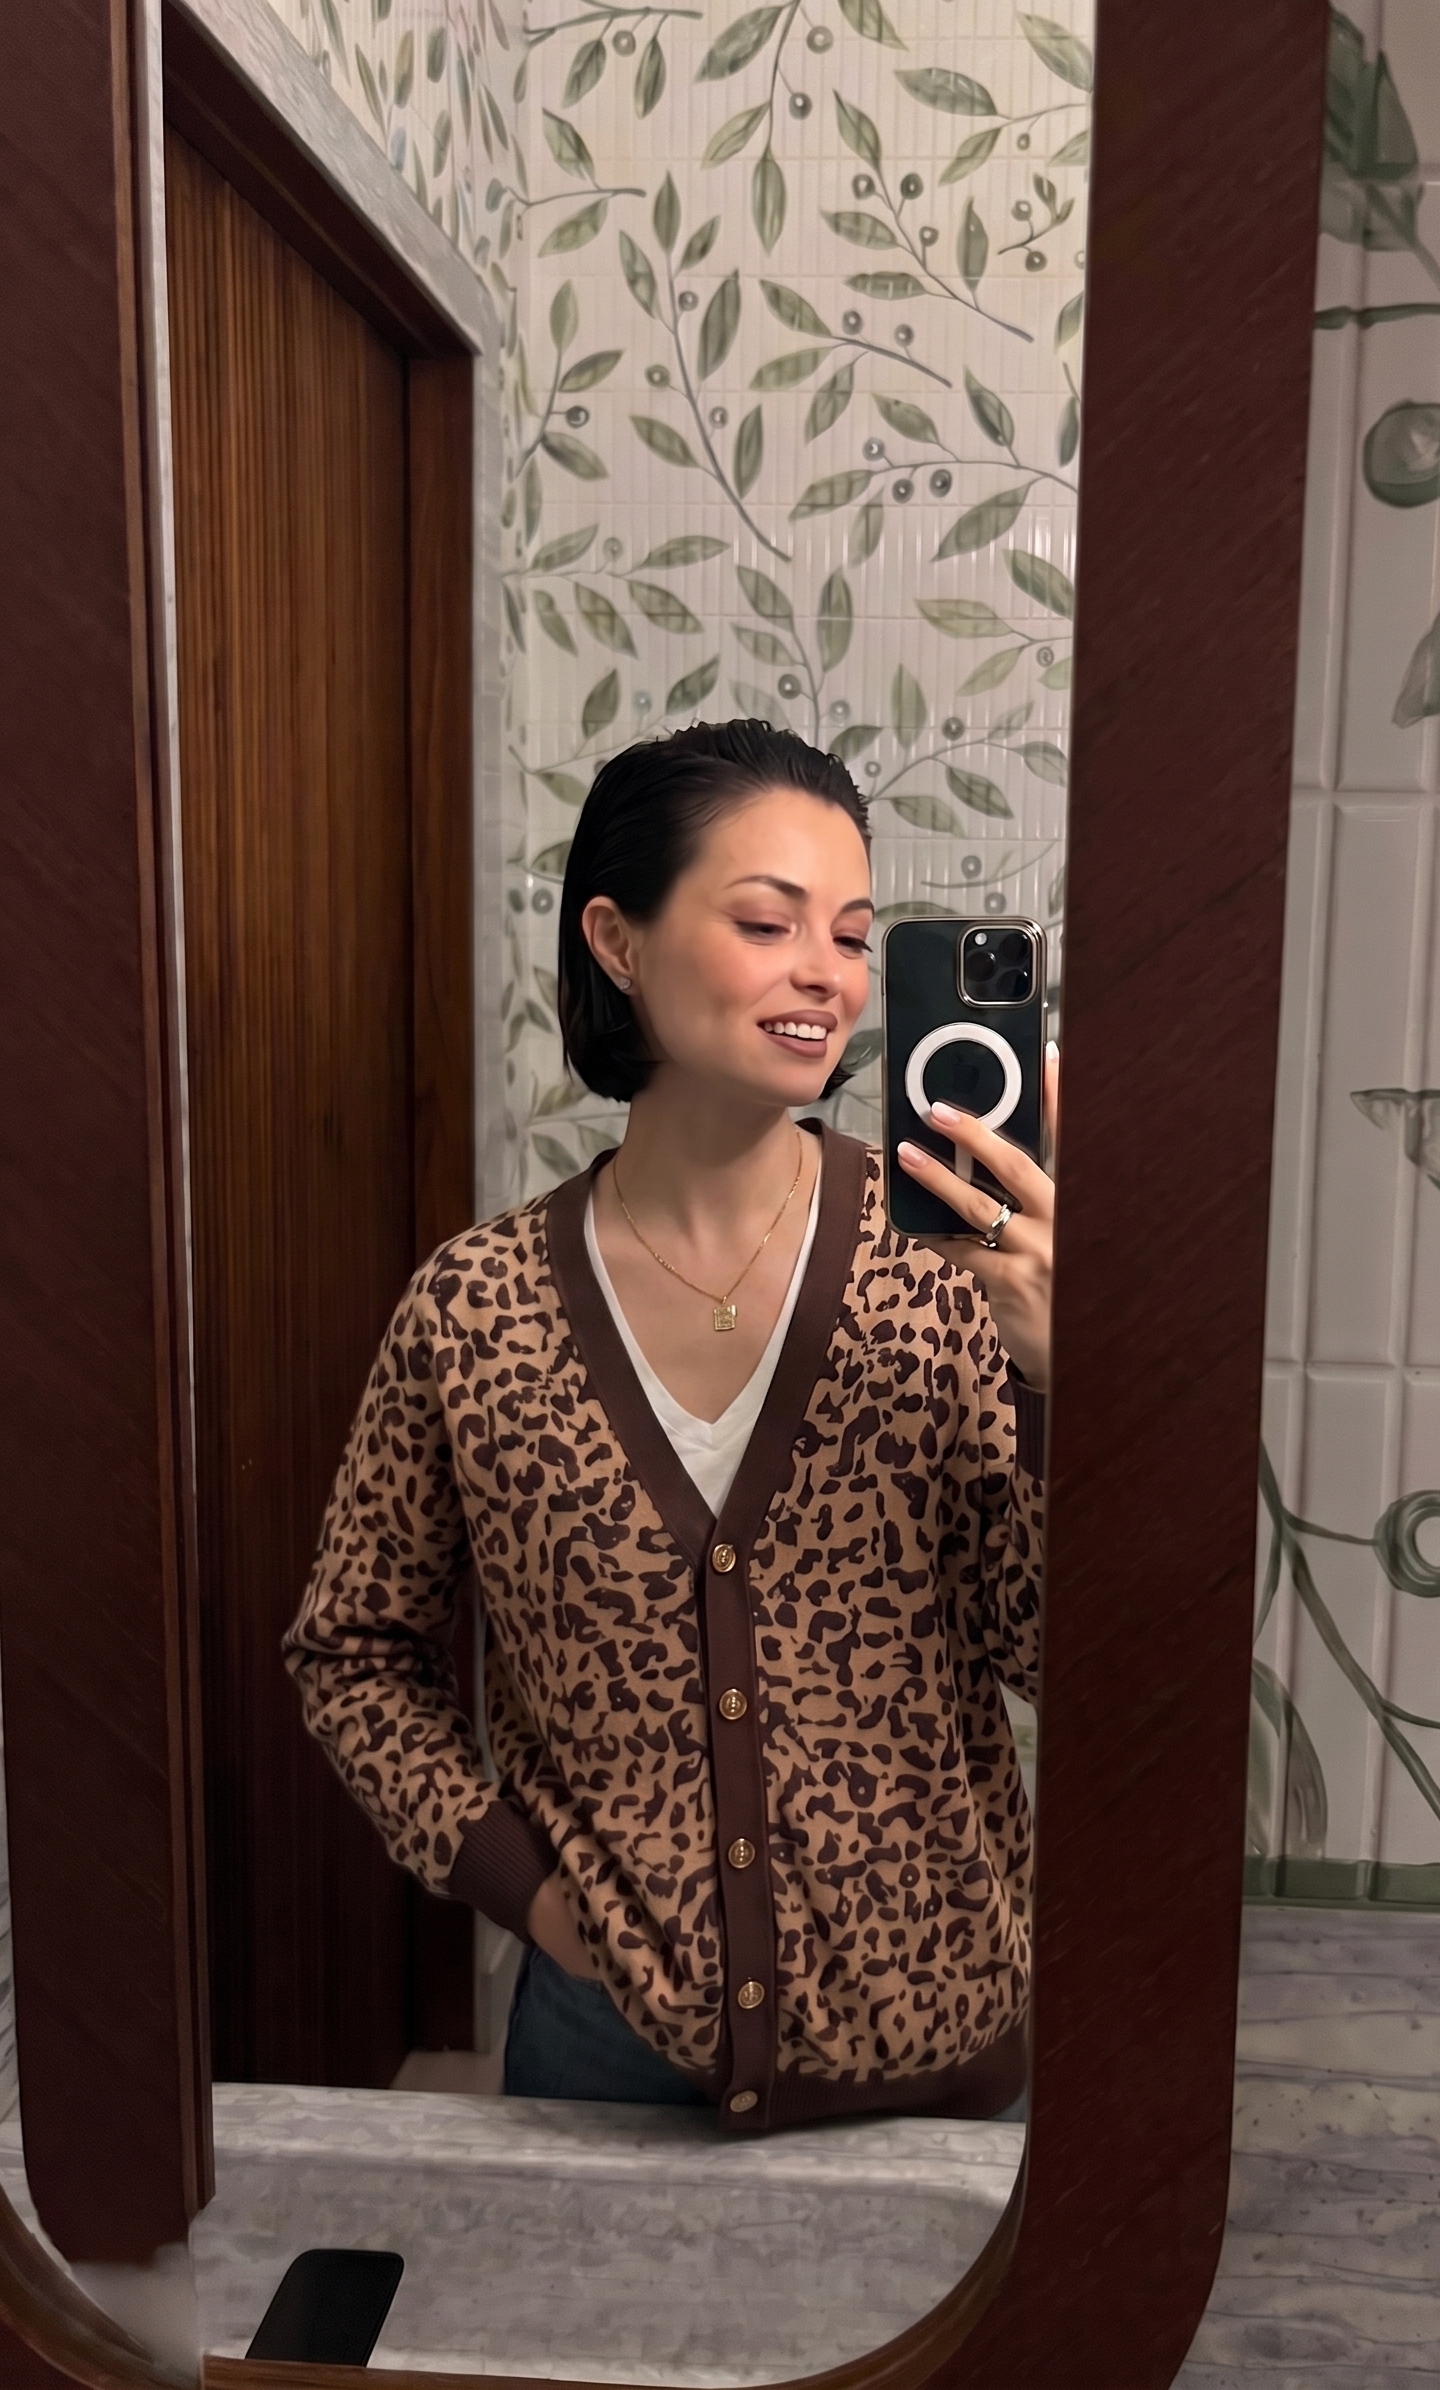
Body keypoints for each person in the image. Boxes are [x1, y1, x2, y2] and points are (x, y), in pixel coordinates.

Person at [285, 719, 1054, 2130]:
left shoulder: (954, 1276)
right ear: (617, 940)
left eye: (852, 934)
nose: (827, 974)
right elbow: (353, 1654)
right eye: (767, 922)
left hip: (934, 2052)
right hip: (603, 2051)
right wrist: (529, 1894)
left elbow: (1052, 1651)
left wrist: (1063, 1383)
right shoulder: (477, 1312)